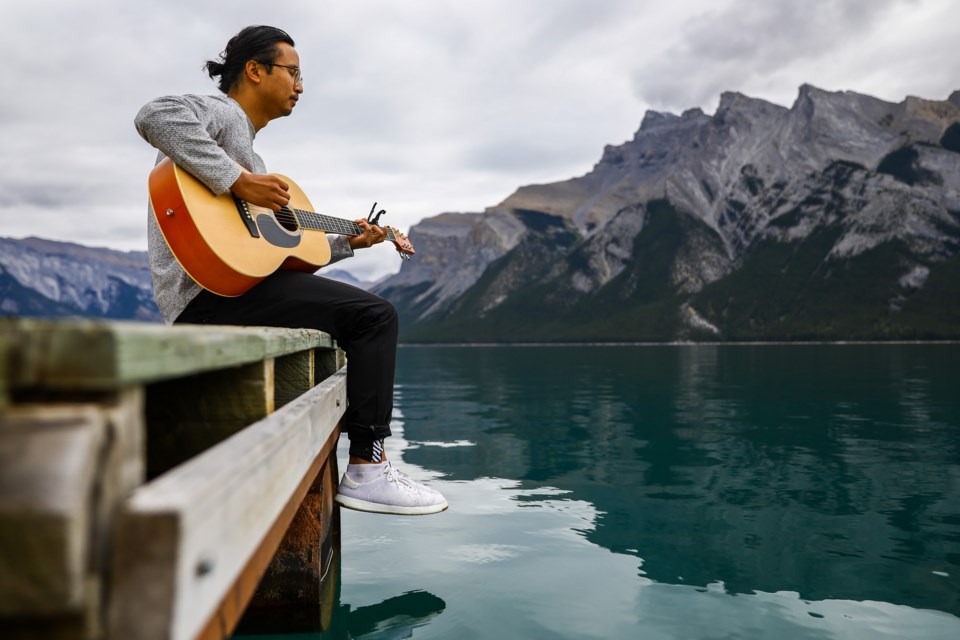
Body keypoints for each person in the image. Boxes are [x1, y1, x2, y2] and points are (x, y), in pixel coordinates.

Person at [135, 25, 447, 516]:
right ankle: (367, 468)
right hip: (211, 294)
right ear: (255, 70)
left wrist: (349, 242)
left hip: (234, 288)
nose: (300, 87)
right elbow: (154, 114)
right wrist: (240, 182)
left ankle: (368, 462)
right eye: (293, 73)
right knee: (374, 316)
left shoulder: (253, 156)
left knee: (358, 310)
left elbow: (283, 252)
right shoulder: (221, 115)